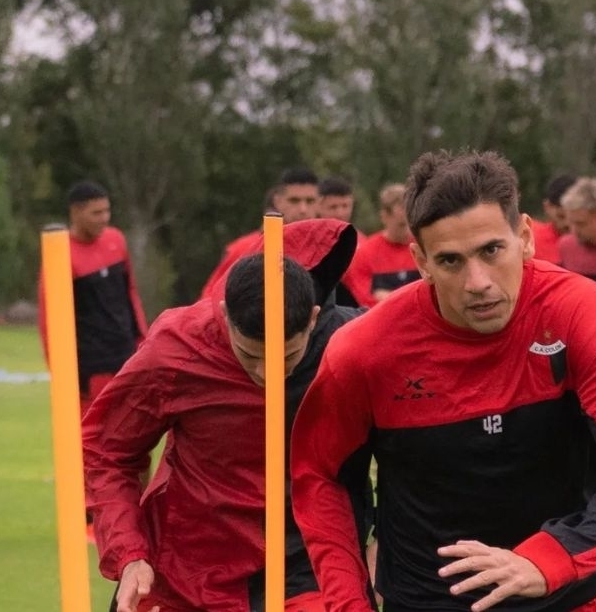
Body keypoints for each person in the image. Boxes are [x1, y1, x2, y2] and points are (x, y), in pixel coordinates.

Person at [291, 150, 596, 612]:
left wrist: (545, 561)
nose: (477, 282)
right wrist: (350, 603)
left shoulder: (579, 313)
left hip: (570, 598)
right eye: (450, 261)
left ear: (525, 237)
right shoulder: (364, 349)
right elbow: (321, 477)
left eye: (491, 251)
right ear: (421, 260)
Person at [83, 219, 369, 612]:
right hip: (187, 571)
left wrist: (382, 546)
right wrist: (129, 553)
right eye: (249, 355)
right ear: (225, 314)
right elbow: (106, 449)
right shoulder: (179, 347)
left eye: (286, 356)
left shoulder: (355, 345)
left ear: (313, 319)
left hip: (308, 570)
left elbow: (411, 450)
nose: (267, 373)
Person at [38, 180, 148, 418]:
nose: (104, 218)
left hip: (127, 359)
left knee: (135, 432)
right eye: (96, 213)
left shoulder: (116, 240)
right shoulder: (62, 254)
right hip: (91, 371)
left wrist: (144, 341)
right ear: (75, 212)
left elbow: (131, 294)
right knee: (95, 435)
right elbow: (50, 322)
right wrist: (62, 376)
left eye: (107, 211)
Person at [200, 167, 320, 298]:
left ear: (319, 203)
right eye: (294, 201)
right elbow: (210, 298)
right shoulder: (246, 248)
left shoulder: (328, 248)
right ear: (277, 201)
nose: (303, 209)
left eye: (310, 201)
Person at [342, 183, 420, 307]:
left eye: (411, 224)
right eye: (402, 224)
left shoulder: (422, 249)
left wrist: (388, 296)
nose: (408, 231)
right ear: (384, 217)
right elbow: (365, 301)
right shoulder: (365, 254)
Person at [531, 173, 575, 263]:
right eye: (561, 216)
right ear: (547, 207)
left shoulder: (595, 239)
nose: (567, 224)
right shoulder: (532, 239)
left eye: (574, 219)